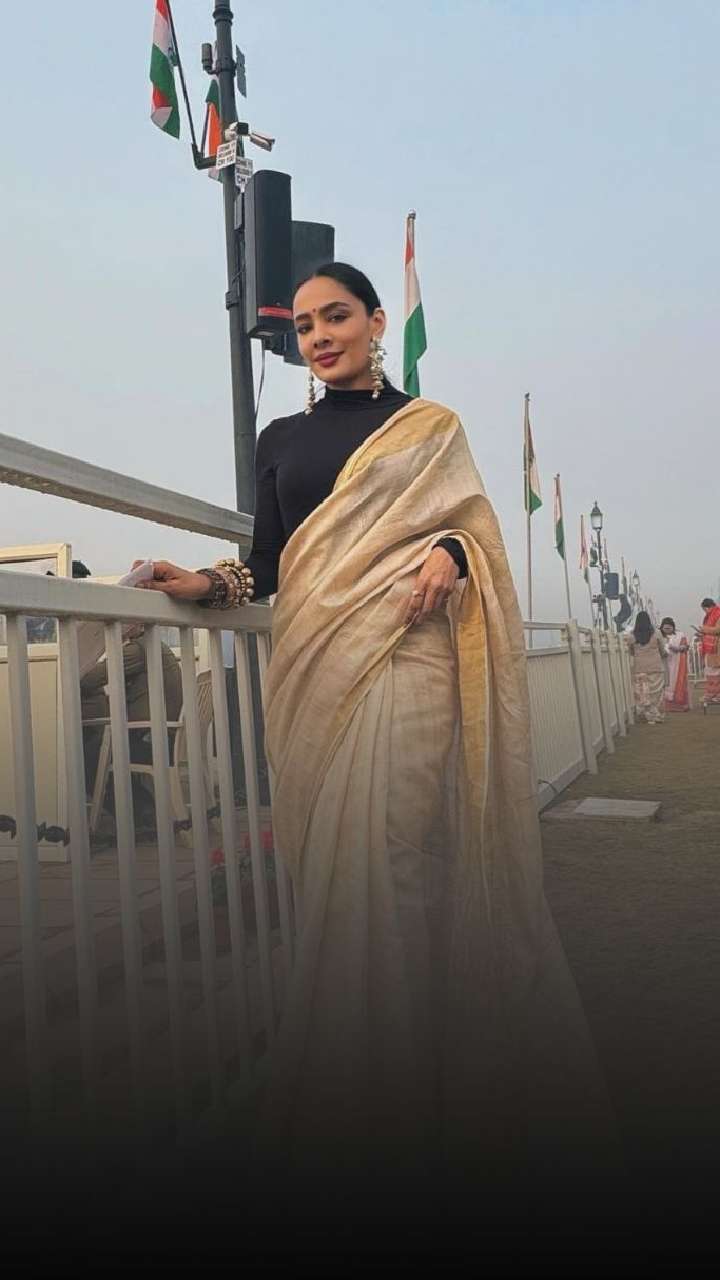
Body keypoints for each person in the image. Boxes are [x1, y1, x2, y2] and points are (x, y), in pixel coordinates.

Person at [136, 263, 613, 1202]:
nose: (318, 336)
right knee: (334, 877)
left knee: (394, 862)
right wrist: (208, 583)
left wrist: (450, 550)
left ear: (376, 321)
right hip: (314, 673)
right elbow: (272, 562)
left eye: (336, 317)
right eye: (304, 325)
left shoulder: (428, 430)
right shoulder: (280, 439)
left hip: (409, 658)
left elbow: (476, 534)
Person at [81, 623, 182, 828]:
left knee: (88, 757)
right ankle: (144, 811)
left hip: (154, 742)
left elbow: (88, 680)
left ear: (136, 624)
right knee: (101, 747)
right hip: (166, 738)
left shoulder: (137, 650)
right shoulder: (154, 644)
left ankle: (139, 815)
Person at [627, 610, 668, 723]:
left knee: (643, 692)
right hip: (655, 667)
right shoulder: (657, 633)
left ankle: (647, 714)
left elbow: (631, 652)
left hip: (640, 668)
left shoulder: (631, 636)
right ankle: (656, 714)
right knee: (656, 692)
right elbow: (662, 649)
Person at [660, 616, 690, 712]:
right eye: (665, 629)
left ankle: (680, 705)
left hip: (678, 662)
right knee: (667, 683)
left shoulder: (680, 635)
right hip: (665, 663)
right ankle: (667, 705)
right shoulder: (659, 636)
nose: (667, 630)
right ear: (662, 628)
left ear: (673, 627)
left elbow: (685, 647)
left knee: (678, 682)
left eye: (669, 628)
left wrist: (676, 648)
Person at [695, 597, 720, 708]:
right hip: (711, 649)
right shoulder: (709, 616)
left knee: (716, 672)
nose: (705, 612)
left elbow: (717, 629)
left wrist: (704, 629)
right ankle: (712, 694)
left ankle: (716, 695)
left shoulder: (718, 614)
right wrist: (702, 633)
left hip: (716, 648)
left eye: (704, 609)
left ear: (708, 607)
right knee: (710, 672)